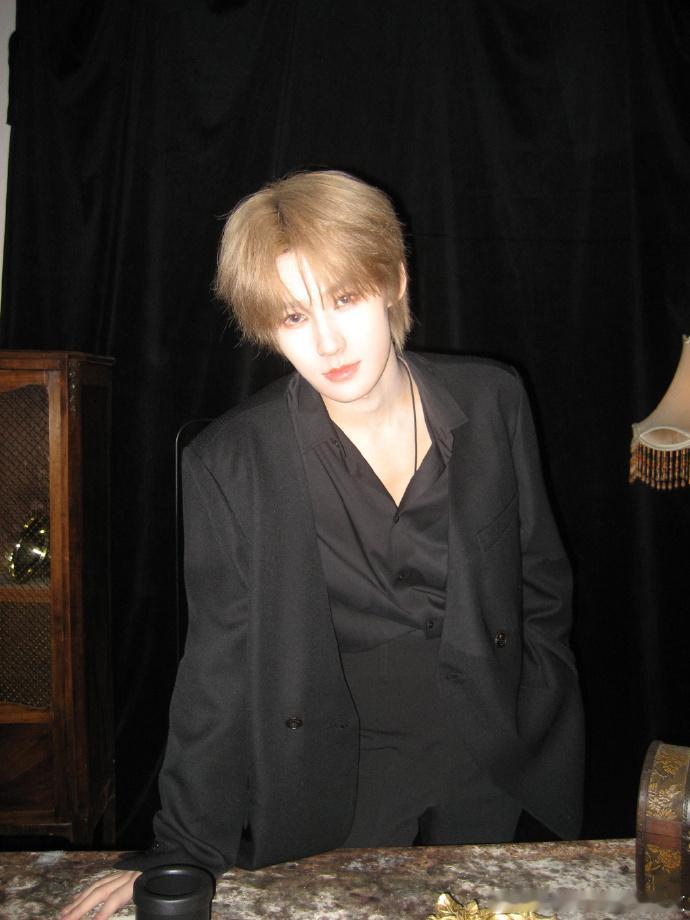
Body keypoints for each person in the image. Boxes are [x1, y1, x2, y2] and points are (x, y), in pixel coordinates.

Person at [62, 170, 584, 920]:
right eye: (294, 315)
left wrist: (539, 696)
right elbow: (217, 667)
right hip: (342, 771)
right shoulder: (231, 462)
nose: (328, 342)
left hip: (494, 752)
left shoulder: (493, 398)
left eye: (344, 299)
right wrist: (184, 846)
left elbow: (542, 579)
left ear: (395, 282)